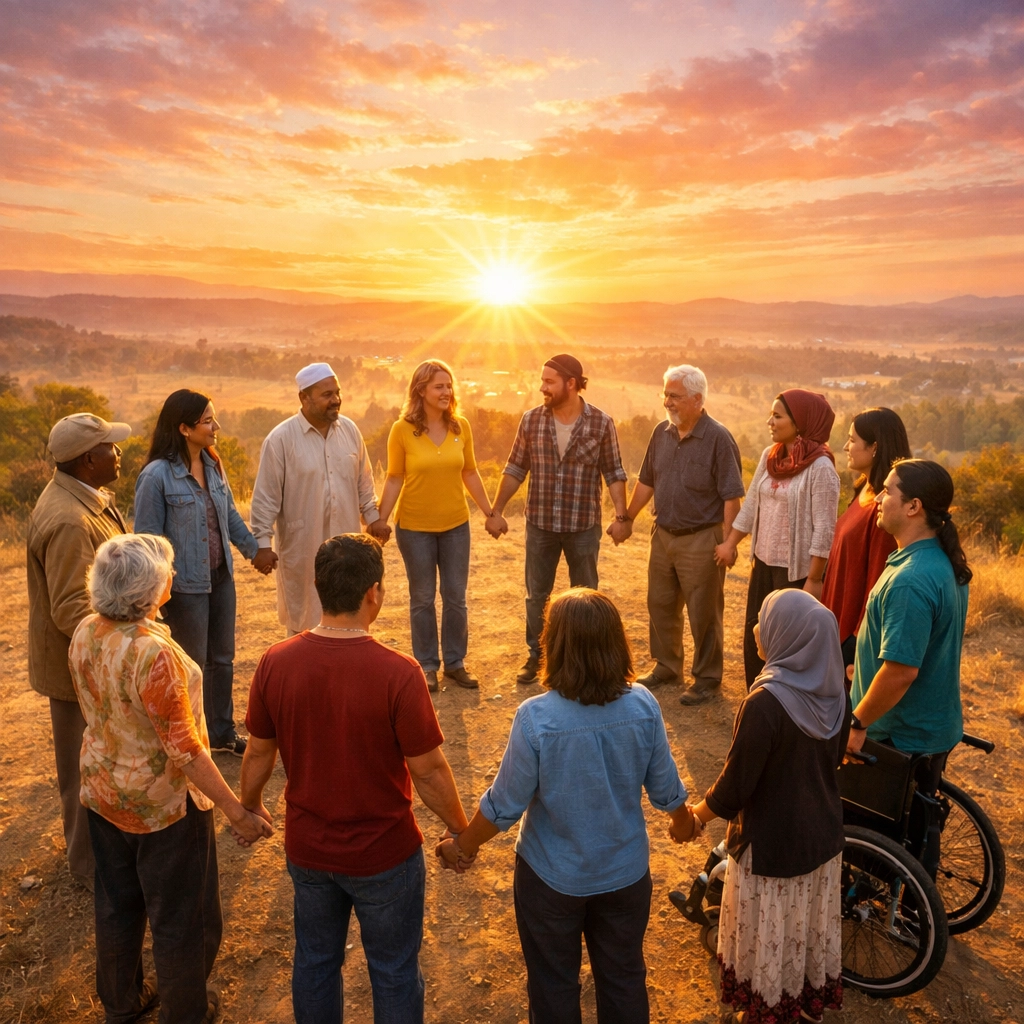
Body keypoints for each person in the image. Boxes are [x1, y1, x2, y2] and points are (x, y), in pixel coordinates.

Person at [239, 534, 472, 1024]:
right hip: (384, 854)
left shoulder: (276, 663)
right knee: (393, 971)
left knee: (317, 963)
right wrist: (459, 827)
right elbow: (427, 770)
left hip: (310, 851)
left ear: (320, 587)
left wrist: (250, 804)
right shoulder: (399, 673)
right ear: (374, 593)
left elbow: (260, 752)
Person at [436, 588, 694, 1024]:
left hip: (551, 880)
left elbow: (504, 806)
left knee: (553, 985)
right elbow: (667, 789)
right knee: (624, 978)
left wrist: (462, 846)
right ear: (617, 643)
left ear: (552, 645)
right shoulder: (644, 706)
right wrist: (684, 823)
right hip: (625, 876)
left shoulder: (537, 718)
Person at [69, 534, 272, 1024]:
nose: (174, 576)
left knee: (117, 907)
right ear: (147, 589)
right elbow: (185, 750)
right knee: (184, 921)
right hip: (162, 809)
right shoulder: (153, 654)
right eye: (168, 570)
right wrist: (236, 810)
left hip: (102, 792)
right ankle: (186, 1012)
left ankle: (122, 1005)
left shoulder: (85, 631)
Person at [684, 589, 849, 1024]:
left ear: (788, 636)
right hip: (823, 840)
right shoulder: (834, 693)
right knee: (803, 932)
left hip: (772, 849)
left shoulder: (765, 704)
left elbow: (736, 787)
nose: (756, 628)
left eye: (764, 620)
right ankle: (804, 1003)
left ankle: (766, 1012)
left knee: (770, 935)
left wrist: (697, 815)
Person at [26, 411, 131, 888]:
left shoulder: (82, 497)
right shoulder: (70, 519)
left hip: (86, 661)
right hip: (76, 668)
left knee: (94, 763)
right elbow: (71, 608)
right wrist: (127, 642)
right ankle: (90, 869)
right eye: (110, 446)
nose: (118, 452)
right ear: (90, 460)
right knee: (81, 769)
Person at [134, 389, 265, 757]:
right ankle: (190, 738)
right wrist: (157, 593)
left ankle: (221, 732)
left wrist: (255, 551)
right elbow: (148, 539)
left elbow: (230, 517)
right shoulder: (156, 476)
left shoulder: (213, 464)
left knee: (222, 658)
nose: (215, 427)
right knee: (189, 664)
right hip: (185, 587)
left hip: (220, 577)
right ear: (184, 428)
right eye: (208, 421)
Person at [487, 355, 629, 684]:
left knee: (587, 597)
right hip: (541, 524)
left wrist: (622, 517)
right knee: (537, 594)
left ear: (570, 383)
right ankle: (537, 657)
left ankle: (588, 660)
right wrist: (496, 511)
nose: (542, 387)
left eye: (549, 381)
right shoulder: (532, 420)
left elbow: (614, 472)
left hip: (583, 526)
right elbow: (515, 468)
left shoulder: (601, 423)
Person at [608, 364, 745, 705]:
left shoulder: (718, 438)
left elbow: (732, 496)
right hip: (663, 533)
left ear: (698, 399)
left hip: (702, 537)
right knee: (660, 604)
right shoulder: (662, 432)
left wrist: (729, 543)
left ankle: (707, 678)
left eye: (675, 396)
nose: (667, 402)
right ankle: (667, 665)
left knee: (703, 612)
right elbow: (647, 481)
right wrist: (626, 517)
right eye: (665, 394)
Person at [847, 460, 971, 797]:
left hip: (897, 736)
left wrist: (857, 723)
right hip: (928, 730)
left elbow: (901, 672)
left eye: (887, 491)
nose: (877, 499)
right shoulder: (938, 561)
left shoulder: (911, 579)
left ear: (913, 506)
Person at [375, 360, 496, 691]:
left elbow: (469, 472)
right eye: (438, 386)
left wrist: (489, 511)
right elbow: (394, 477)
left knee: (455, 596)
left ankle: (455, 662)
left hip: (456, 525)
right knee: (423, 597)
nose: (446, 392)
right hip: (414, 528)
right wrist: (380, 520)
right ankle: (427, 665)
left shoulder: (461, 427)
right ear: (421, 390)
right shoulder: (402, 430)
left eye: (449, 385)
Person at [250, 363, 390, 634]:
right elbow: (265, 497)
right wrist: (262, 544)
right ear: (304, 398)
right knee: (305, 620)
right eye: (327, 394)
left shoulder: (350, 431)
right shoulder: (280, 440)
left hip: (349, 547)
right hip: (304, 547)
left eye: (337, 392)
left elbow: (364, 481)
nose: (335, 399)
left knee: (352, 615)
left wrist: (373, 519)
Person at [715, 389, 841, 688]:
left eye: (777, 416)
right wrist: (730, 543)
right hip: (763, 565)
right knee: (755, 635)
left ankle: (784, 702)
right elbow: (751, 506)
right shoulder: (770, 457)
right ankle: (756, 696)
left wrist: (814, 579)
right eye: (771, 414)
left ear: (800, 422)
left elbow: (824, 529)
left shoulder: (821, 468)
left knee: (785, 645)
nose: (770, 421)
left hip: (794, 573)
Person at [820, 408, 912, 674]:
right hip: (835, 622)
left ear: (874, 447)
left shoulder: (884, 508)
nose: (846, 446)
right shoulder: (864, 490)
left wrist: (856, 640)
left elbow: (877, 579)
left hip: (851, 635)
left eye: (852, 440)